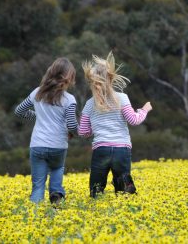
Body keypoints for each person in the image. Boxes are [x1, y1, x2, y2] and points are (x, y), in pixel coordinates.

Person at [78, 51, 152, 198]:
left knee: (97, 189)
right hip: (121, 150)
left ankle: (96, 215)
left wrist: (97, 126)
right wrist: (144, 110)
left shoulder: (89, 104)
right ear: (111, 77)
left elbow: (83, 132)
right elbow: (134, 120)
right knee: (124, 189)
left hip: (101, 149)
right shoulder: (122, 98)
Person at [14, 57, 78, 204]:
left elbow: (19, 111)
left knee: (38, 186)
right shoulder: (69, 99)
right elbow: (72, 125)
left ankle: (34, 217)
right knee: (57, 168)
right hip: (58, 146)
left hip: (37, 144)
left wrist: (38, 117)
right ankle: (56, 195)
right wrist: (81, 132)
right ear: (69, 78)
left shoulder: (37, 93)